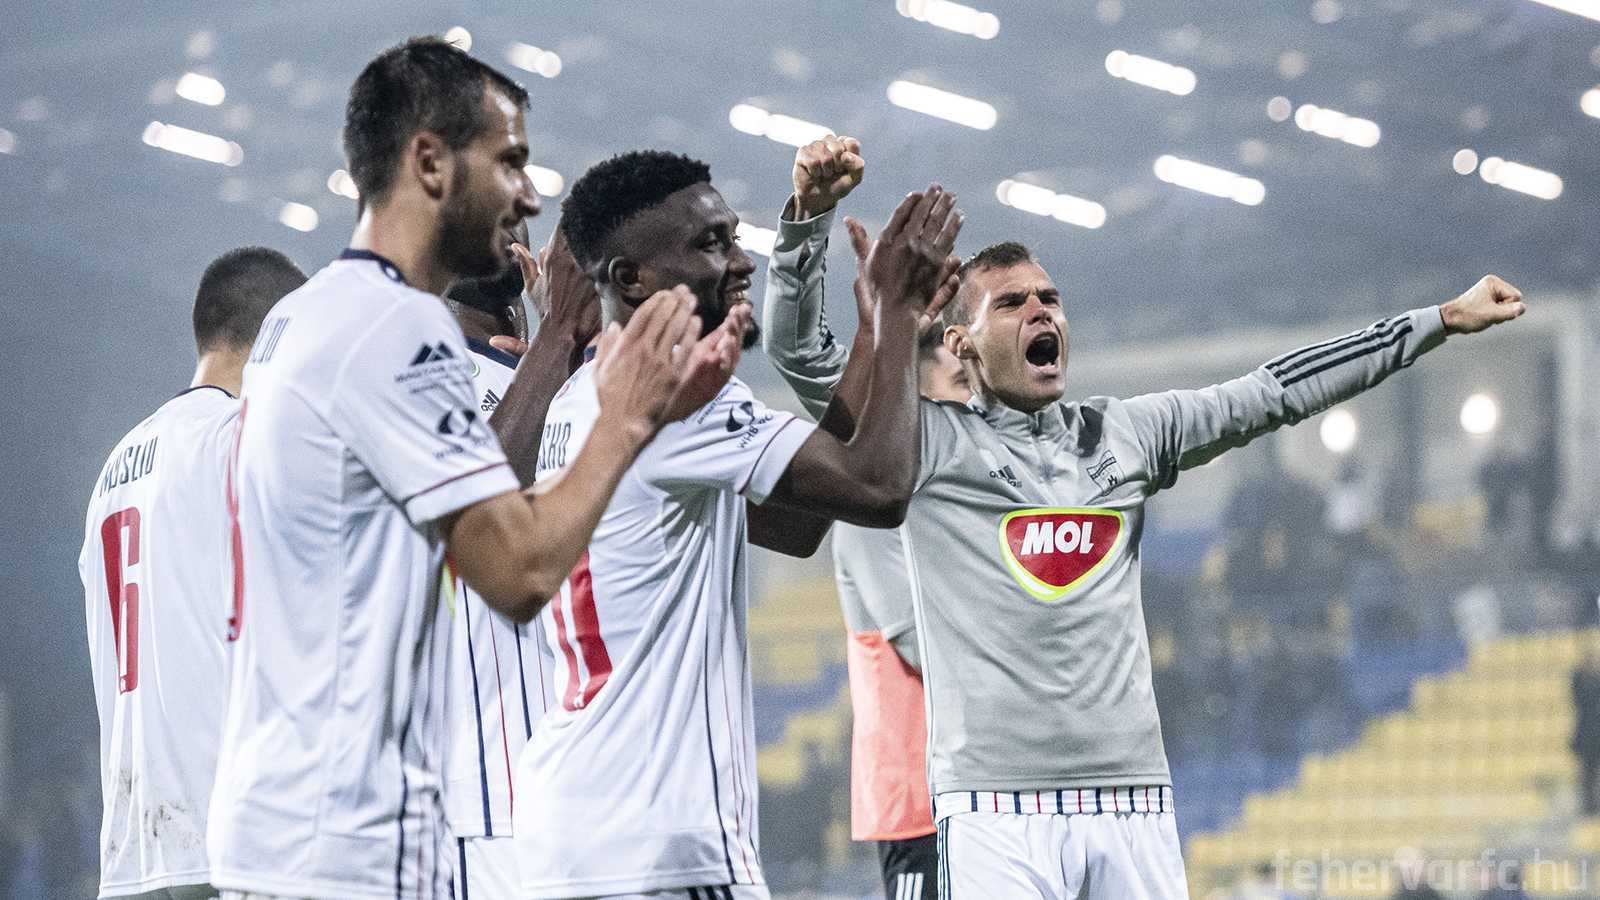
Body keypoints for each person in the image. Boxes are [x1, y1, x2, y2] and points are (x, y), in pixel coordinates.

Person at [764, 233, 1525, 898]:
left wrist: (1437, 321)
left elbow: (1272, 392)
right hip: (992, 810)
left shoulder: (1127, 434)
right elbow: (802, 359)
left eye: (1049, 298)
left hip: (1133, 802)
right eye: (1012, 303)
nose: (1040, 312)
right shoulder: (930, 445)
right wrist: (806, 226)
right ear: (961, 343)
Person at [206, 38, 707, 900]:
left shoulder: (300, 318)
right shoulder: (400, 328)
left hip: (277, 817)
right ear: (430, 161)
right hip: (354, 836)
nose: (530, 196)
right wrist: (625, 416)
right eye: (509, 162)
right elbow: (521, 572)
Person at [512, 150, 962, 900]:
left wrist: (872, 333)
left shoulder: (581, 398)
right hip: (659, 845)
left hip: (578, 828)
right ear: (631, 279)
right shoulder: (679, 408)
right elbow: (879, 488)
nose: (740, 262)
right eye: (711, 244)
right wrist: (897, 314)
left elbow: (797, 526)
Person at [761, 135, 967, 900]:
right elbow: (794, 347)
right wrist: (807, 224)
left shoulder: (990, 462)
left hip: (1001, 788)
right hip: (922, 797)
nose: (974, 390)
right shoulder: (875, 453)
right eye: (959, 372)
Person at [79, 247, 306, 900]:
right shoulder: (237, 438)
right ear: (278, 336)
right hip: (230, 843)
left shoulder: (113, 469)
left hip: (132, 855)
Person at [439, 221, 602, 899]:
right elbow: (487, 496)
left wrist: (560, 354)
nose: (511, 211)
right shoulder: (427, 369)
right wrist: (560, 338)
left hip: (567, 789)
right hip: (493, 789)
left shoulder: (549, 377)